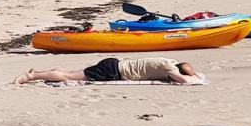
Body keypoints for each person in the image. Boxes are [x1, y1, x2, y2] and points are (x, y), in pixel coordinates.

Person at [14, 57, 203, 85]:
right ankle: (32, 76)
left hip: (113, 64)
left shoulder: (170, 61)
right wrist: (195, 78)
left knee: (71, 72)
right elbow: (185, 82)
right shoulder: (170, 68)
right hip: (113, 71)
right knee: (69, 77)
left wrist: (191, 72)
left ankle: (37, 72)